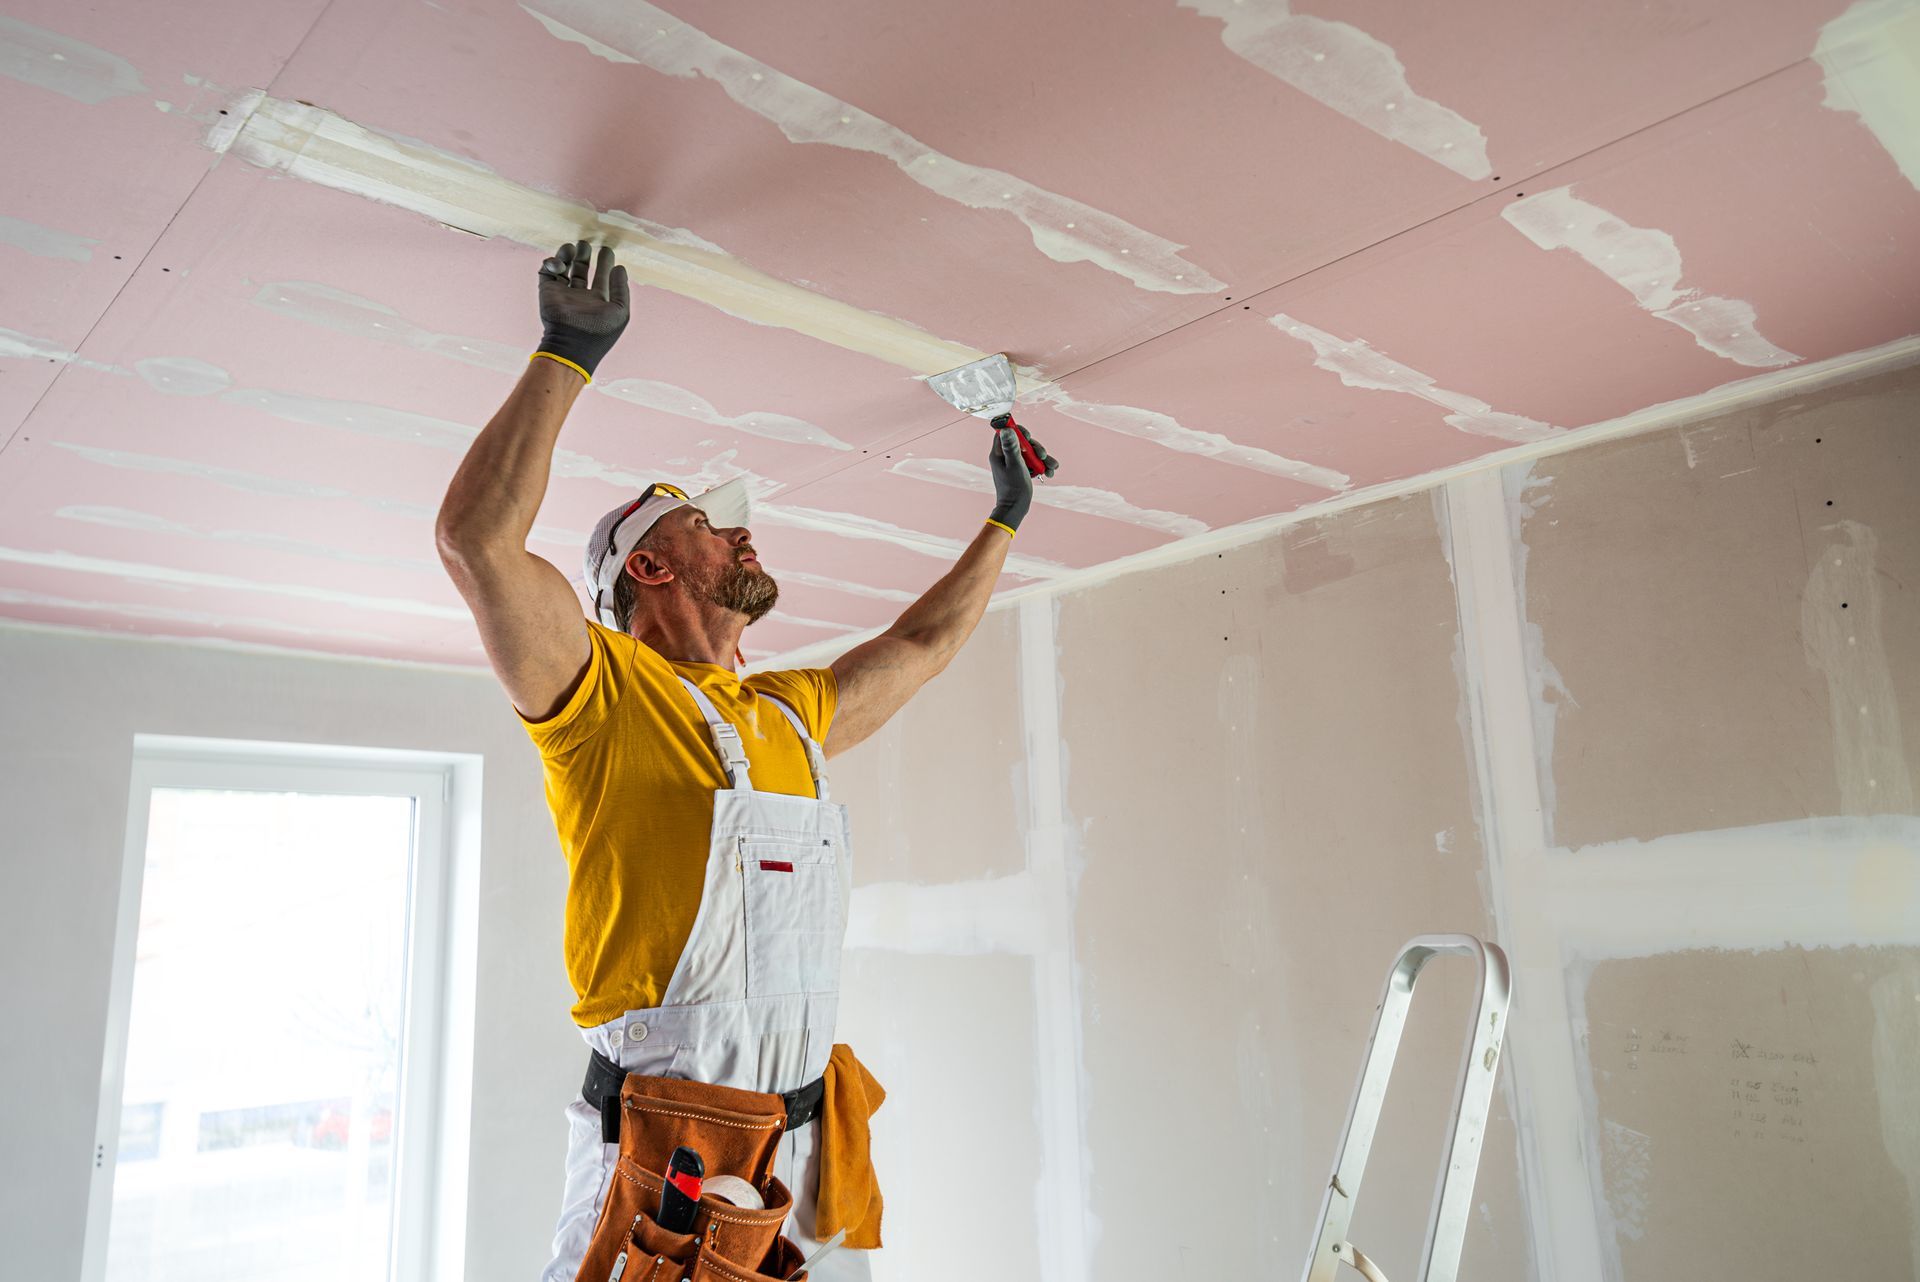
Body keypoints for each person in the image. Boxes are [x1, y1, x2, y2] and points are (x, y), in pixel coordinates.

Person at [433, 241, 1058, 1280]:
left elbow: (921, 647)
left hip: (782, 1137)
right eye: (716, 524)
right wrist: (569, 353)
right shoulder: (602, 698)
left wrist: (1004, 519)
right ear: (650, 563)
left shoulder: (787, 710)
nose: (747, 534)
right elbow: (477, 545)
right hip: (655, 1143)